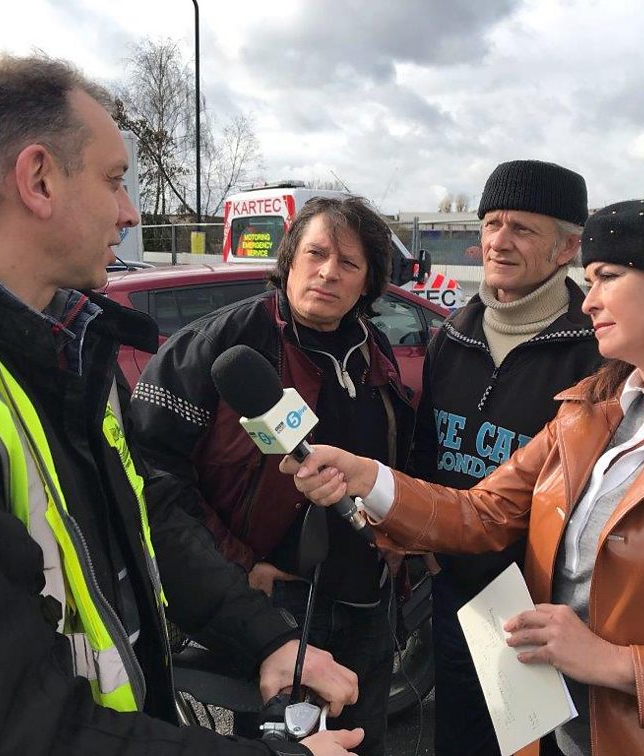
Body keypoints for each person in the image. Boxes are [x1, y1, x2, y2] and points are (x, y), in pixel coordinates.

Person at [0, 52, 362, 756]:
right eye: (116, 180)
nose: (129, 213)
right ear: (38, 180)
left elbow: (140, 513)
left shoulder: (58, 338)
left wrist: (266, 640)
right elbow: (11, 726)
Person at [283, 199, 644, 755]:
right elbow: (482, 513)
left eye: (609, 278)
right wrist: (368, 478)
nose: (591, 299)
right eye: (590, 279)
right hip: (558, 731)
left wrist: (617, 664)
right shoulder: (588, 416)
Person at [130, 195, 416, 756]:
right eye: (316, 253)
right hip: (276, 605)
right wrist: (238, 564)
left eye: (349, 263)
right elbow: (153, 477)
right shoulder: (219, 346)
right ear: (289, 259)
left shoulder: (372, 350)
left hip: (368, 599)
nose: (329, 272)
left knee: (364, 744)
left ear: (369, 282)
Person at [411, 159, 601, 756]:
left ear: (567, 246)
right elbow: (426, 454)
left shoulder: (597, 350)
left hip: (542, 607)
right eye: (492, 222)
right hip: (456, 591)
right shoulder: (452, 335)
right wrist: (431, 551)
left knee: (536, 746)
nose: (498, 241)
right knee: (460, 737)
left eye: (522, 228)